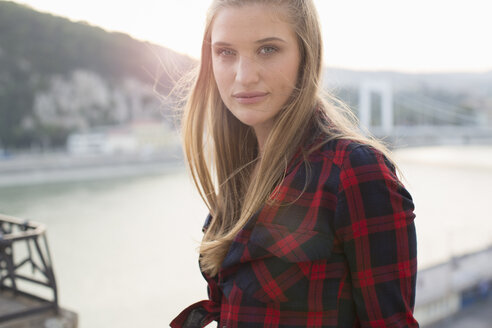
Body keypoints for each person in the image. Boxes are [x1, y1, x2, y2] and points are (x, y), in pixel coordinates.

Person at [171, 0, 419, 327]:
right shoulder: (243, 172)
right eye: (226, 52)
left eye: (268, 50)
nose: (244, 77)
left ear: (306, 56)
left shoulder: (355, 172)